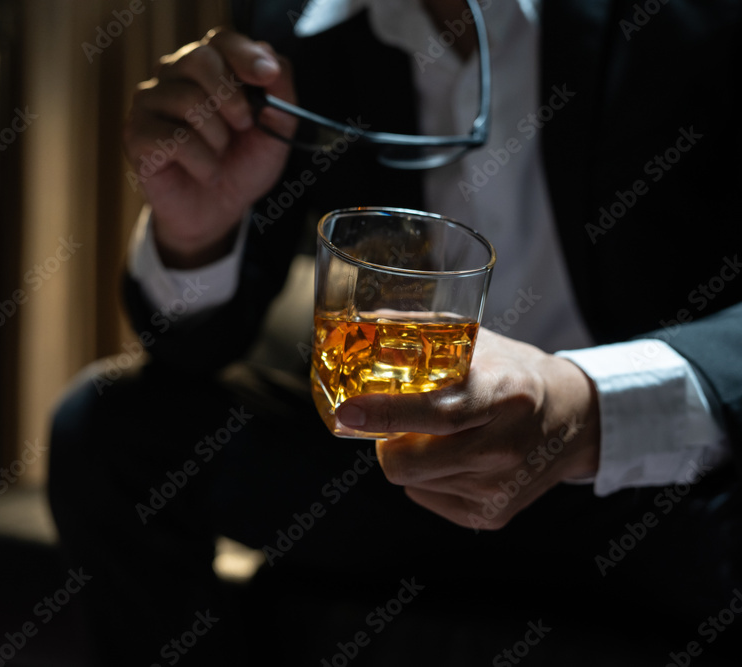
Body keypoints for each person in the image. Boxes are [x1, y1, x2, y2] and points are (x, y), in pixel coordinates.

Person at [49, 0, 742, 664]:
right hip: (405, 475)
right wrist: (196, 233)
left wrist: (590, 406)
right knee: (107, 431)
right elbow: (196, 345)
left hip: (658, 487)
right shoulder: (290, 22)